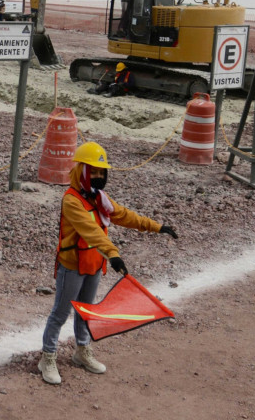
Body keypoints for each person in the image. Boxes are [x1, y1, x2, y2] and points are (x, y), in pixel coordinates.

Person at [38, 142, 178, 385]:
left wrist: (156, 227)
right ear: (81, 170)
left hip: (93, 263)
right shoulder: (71, 201)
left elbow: (123, 214)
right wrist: (113, 254)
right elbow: (91, 231)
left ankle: (82, 351)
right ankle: (47, 357)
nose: (99, 176)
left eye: (102, 172)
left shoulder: (99, 198)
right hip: (72, 265)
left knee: (86, 311)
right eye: (94, 171)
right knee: (60, 313)